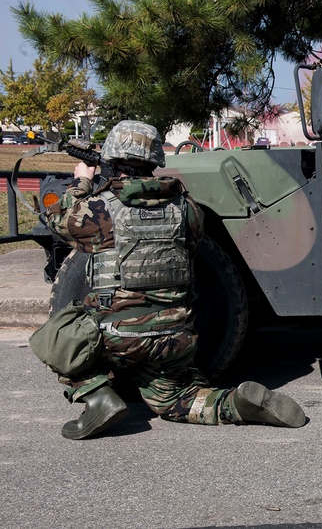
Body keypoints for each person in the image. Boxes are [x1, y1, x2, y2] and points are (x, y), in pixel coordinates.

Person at [40, 120, 306, 439]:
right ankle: (234, 404)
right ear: (155, 162)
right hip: (174, 337)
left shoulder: (100, 209)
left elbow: (57, 220)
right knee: (176, 400)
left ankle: (98, 398)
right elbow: (192, 249)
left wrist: (82, 181)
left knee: (53, 337)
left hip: (117, 339)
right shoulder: (186, 207)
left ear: (111, 159)